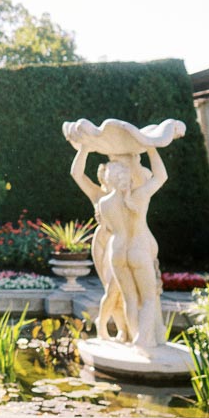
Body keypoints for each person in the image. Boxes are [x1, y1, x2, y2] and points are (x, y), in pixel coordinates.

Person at [69, 145, 168, 349]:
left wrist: (85, 147)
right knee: (149, 299)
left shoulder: (104, 203)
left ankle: (132, 336)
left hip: (117, 251)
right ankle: (142, 340)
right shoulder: (140, 196)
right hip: (138, 249)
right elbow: (161, 176)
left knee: (130, 300)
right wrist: (151, 147)